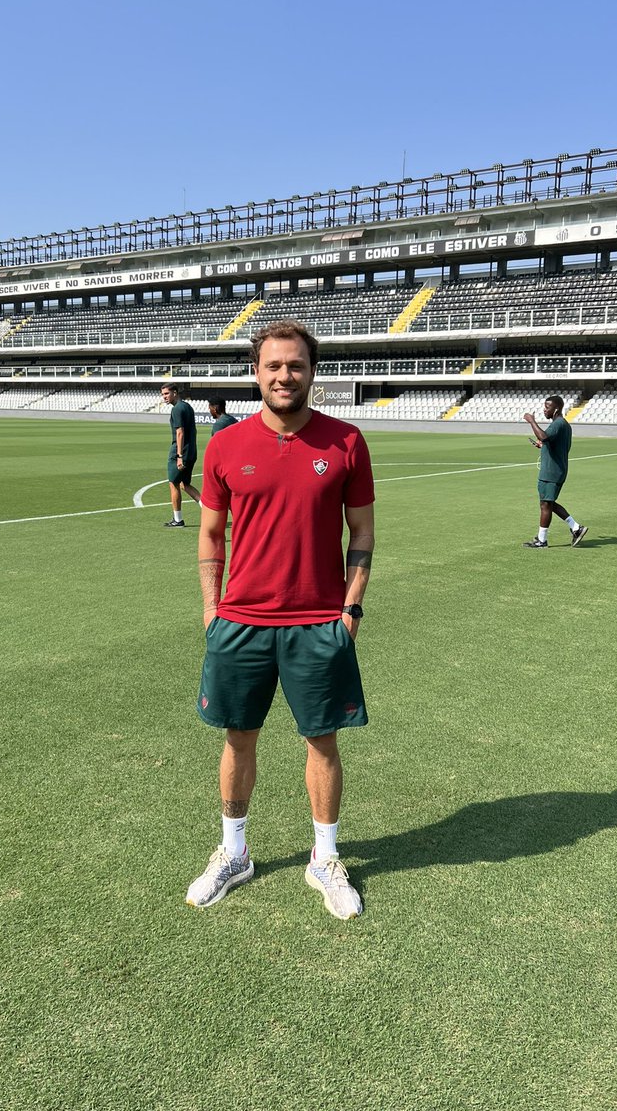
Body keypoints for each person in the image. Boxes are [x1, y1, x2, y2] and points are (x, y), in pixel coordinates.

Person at [186, 319, 375, 920]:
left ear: (311, 372)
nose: (284, 375)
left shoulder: (346, 442)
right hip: (240, 622)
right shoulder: (226, 444)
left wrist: (349, 609)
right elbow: (211, 536)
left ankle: (323, 859)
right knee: (238, 737)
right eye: (273, 365)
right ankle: (234, 852)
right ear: (256, 372)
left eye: (295, 365)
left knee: (322, 742)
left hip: (319, 621)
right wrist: (212, 610)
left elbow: (362, 534)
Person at [523, 395, 587, 548]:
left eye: (547, 407)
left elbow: (544, 436)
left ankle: (542, 540)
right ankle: (576, 528)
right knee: (548, 503)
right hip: (556, 470)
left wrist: (531, 421)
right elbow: (552, 443)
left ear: (556, 409)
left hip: (552, 471)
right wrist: (542, 446)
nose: (544, 410)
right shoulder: (563, 425)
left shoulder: (558, 424)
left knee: (546, 504)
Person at [160, 382, 201, 527]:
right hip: (191, 451)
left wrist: (179, 456)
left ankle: (178, 520)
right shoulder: (187, 406)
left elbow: (180, 432)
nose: (164, 397)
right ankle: (208, 509)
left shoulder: (177, 409)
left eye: (166, 393)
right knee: (185, 484)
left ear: (175, 393)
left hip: (180, 453)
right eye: (163, 394)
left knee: (174, 483)